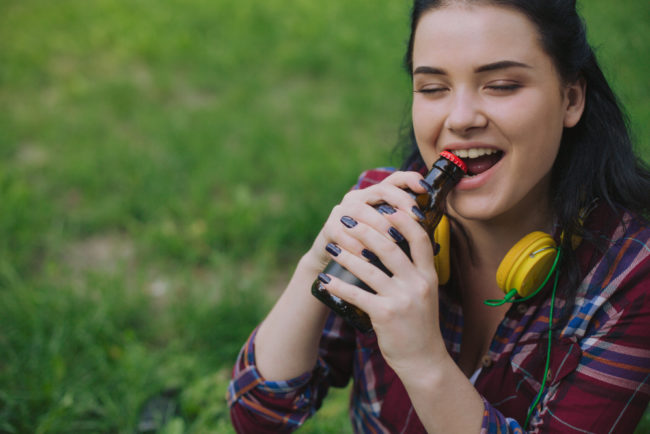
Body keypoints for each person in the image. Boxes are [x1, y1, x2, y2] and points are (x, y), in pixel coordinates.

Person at [227, 0, 650, 432]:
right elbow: (258, 415)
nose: (460, 118)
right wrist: (316, 263)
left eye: (501, 84)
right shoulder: (381, 212)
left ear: (571, 98)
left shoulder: (632, 277)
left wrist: (424, 362)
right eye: (432, 88)